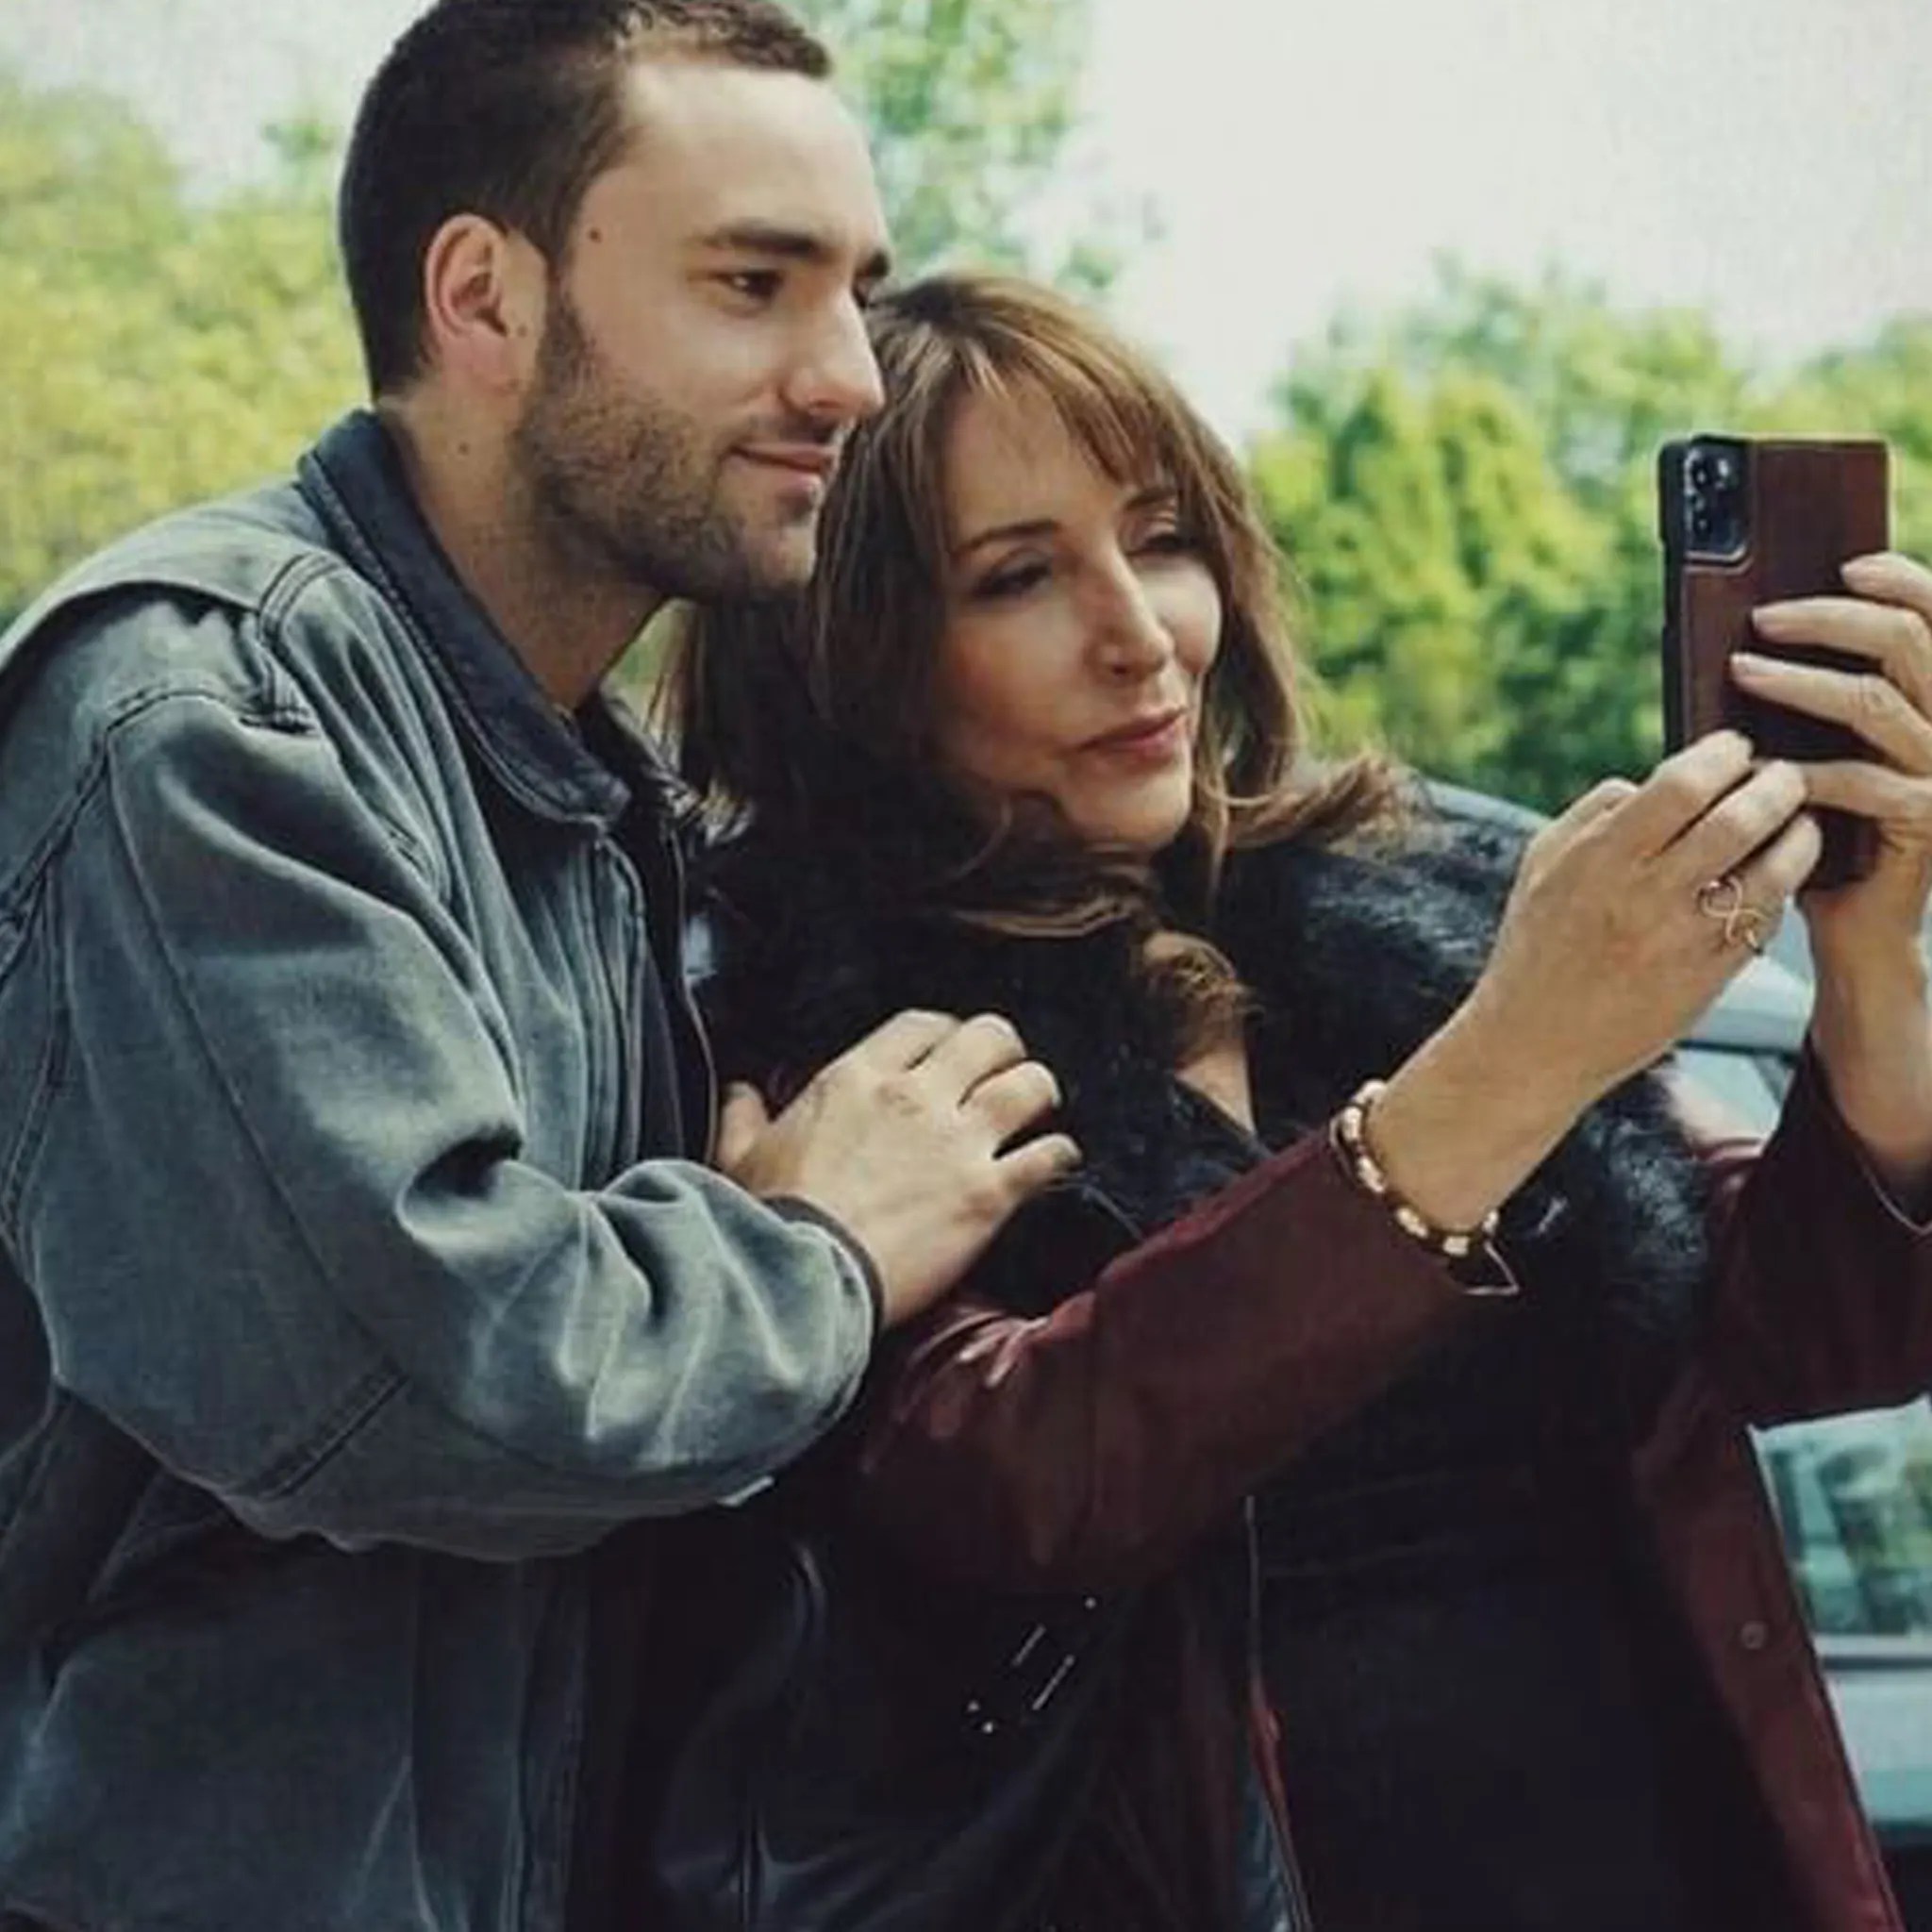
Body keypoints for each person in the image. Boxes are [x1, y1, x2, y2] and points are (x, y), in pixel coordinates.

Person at [663, 270, 1932, 1932]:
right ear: (854, 657)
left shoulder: (1403, 917)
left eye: (1162, 535)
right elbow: (1009, 1477)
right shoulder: (806, 1027)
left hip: (1675, 1851)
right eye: (1019, 576)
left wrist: (1875, 955)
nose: (1140, 630)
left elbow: (1795, 1337)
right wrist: (1514, 1060)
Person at [0, 13, 1077, 1931]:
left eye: (858, 295)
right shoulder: (200, 714)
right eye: (753, 285)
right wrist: (811, 1251)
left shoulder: (595, 791)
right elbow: (437, 1368)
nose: (845, 378)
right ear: (485, 301)